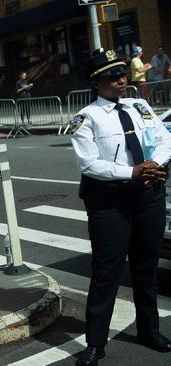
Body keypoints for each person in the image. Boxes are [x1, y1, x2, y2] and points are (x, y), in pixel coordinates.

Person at [71, 48, 171, 366]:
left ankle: (149, 330)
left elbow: (164, 137)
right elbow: (89, 164)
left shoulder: (139, 106)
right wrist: (132, 171)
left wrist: (155, 162)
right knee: (107, 272)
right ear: (96, 82)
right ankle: (95, 342)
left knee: (146, 268)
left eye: (123, 73)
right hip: (110, 201)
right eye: (113, 75)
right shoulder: (86, 118)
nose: (121, 79)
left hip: (148, 194)